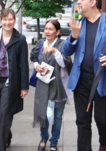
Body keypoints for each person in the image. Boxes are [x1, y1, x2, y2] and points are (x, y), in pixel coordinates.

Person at [61, 0, 106, 151]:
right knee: (82, 121)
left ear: (92, 2)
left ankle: (104, 143)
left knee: (103, 119)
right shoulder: (78, 22)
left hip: (103, 79)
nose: (78, 1)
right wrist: (74, 36)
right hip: (81, 81)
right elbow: (66, 51)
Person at [0, 8, 29, 151]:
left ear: (15, 20)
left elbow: (24, 64)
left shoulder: (20, 39)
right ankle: (6, 134)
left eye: (10, 19)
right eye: (5, 19)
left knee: (4, 112)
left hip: (10, 81)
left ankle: (0, 146)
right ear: (1, 20)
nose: (8, 22)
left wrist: (24, 86)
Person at [30, 19, 73, 151]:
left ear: (57, 32)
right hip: (43, 85)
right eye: (46, 28)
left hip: (58, 86)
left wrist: (54, 51)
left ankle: (53, 142)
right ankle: (44, 138)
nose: (47, 31)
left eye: (51, 29)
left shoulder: (62, 45)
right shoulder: (41, 44)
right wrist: (37, 66)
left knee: (57, 116)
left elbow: (65, 64)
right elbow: (33, 58)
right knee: (43, 113)